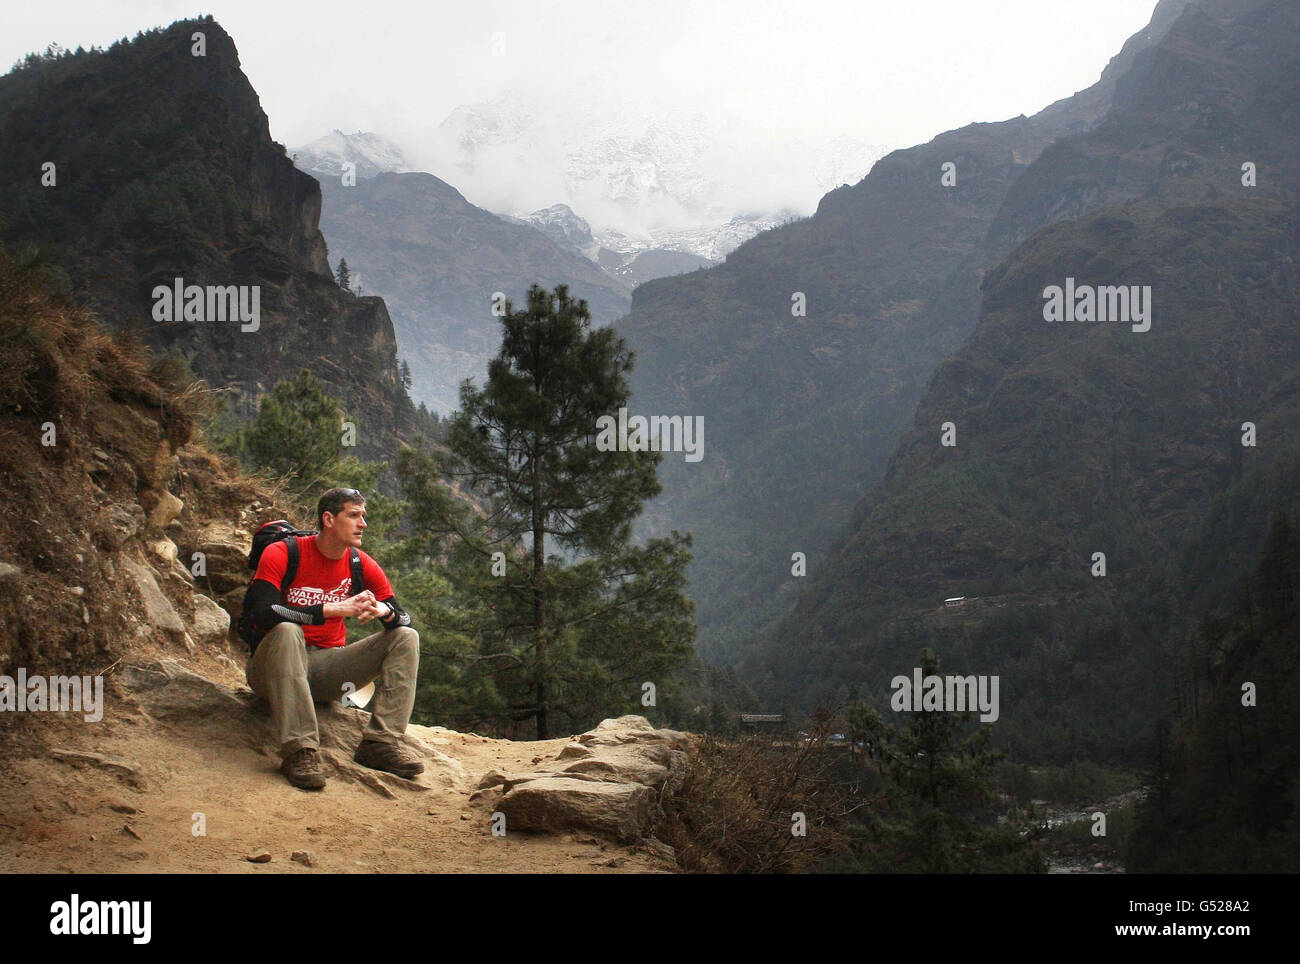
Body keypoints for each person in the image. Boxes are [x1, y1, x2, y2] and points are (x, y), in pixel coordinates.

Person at [244, 487, 423, 790]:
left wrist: (384, 611)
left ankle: (379, 745)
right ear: (328, 519)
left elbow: (402, 617)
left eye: (363, 516)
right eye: (353, 515)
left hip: (326, 670)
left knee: (406, 636)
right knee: (288, 630)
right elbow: (263, 612)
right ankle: (300, 751)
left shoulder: (359, 563)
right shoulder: (284, 552)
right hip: (272, 670)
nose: (363, 524)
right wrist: (330, 609)